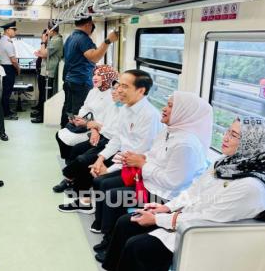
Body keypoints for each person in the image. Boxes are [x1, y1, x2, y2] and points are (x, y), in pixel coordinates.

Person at [102, 116, 265, 271]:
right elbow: (194, 191)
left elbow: (208, 219)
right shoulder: (223, 162)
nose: (226, 137)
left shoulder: (250, 186)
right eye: (228, 131)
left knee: (138, 246)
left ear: (251, 144)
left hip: (204, 235)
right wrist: (165, 208)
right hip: (187, 218)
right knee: (127, 222)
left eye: (234, 135)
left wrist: (157, 219)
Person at [92, 91, 213, 262]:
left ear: (183, 112)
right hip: (148, 185)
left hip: (162, 196)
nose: (164, 109)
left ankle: (112, 245)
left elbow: (173, 182)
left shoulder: (186, 145)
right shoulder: (169, 132)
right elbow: (153, 154)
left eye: (171, 106)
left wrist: (142, 164)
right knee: (108, 191)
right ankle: (110, 240)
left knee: (115, 201)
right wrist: (141, 158)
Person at [58, 69, 163, 213]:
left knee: (87, 163)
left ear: (140, 91)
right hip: (114, 147)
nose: (118, 90)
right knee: (84, 157)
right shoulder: (126, 108)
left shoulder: (149, 116)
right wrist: (101, 158)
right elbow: (118, 138)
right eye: (117, 86)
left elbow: (136, 152)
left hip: (134, 163)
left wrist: (107, 169)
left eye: (124, 86)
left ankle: (82, 195)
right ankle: (80, 194)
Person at [61, 16, 119, 128]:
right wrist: (108, 41)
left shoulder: (70, 37)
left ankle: (65, 131)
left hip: (69, 79)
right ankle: (73, 135)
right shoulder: (83, 39)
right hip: (80, 81)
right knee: (78, 112)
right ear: (88, 24)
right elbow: (94, 57)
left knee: (68, 109)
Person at [55, 65, 119, 162]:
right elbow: (84, 108)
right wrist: (78, 117)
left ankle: (71, 163)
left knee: (74, 145)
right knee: (59, 134)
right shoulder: (93, 91)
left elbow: (104, 122)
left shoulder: (112, 96)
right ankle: (68, 161)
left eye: (99, 75)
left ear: (108, 77)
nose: (94, 77)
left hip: (99, 130)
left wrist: (91, 127)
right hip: (87, 123)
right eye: (94, 74)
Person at [32, 21, 64, 123]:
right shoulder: (52, 40)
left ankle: (43, 117)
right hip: (44, 70)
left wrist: (43, 41)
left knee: (46, 96)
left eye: (47, 30)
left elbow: (44, 53)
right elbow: (42, 53)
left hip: (49, 72)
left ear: (51, 30)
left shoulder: (56, 40)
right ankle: (40, 112)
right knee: (42, 94)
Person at [0, 21, 20, 120]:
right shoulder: (7, 42)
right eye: (13, 29)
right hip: (8, 68)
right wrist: (18, 69)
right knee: (7, 92)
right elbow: (13, 60)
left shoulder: (2, 40)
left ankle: (5, 111)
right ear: (7, 30)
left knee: (6, 91)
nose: (15, 31)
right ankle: (5, 113)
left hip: (4, 67)